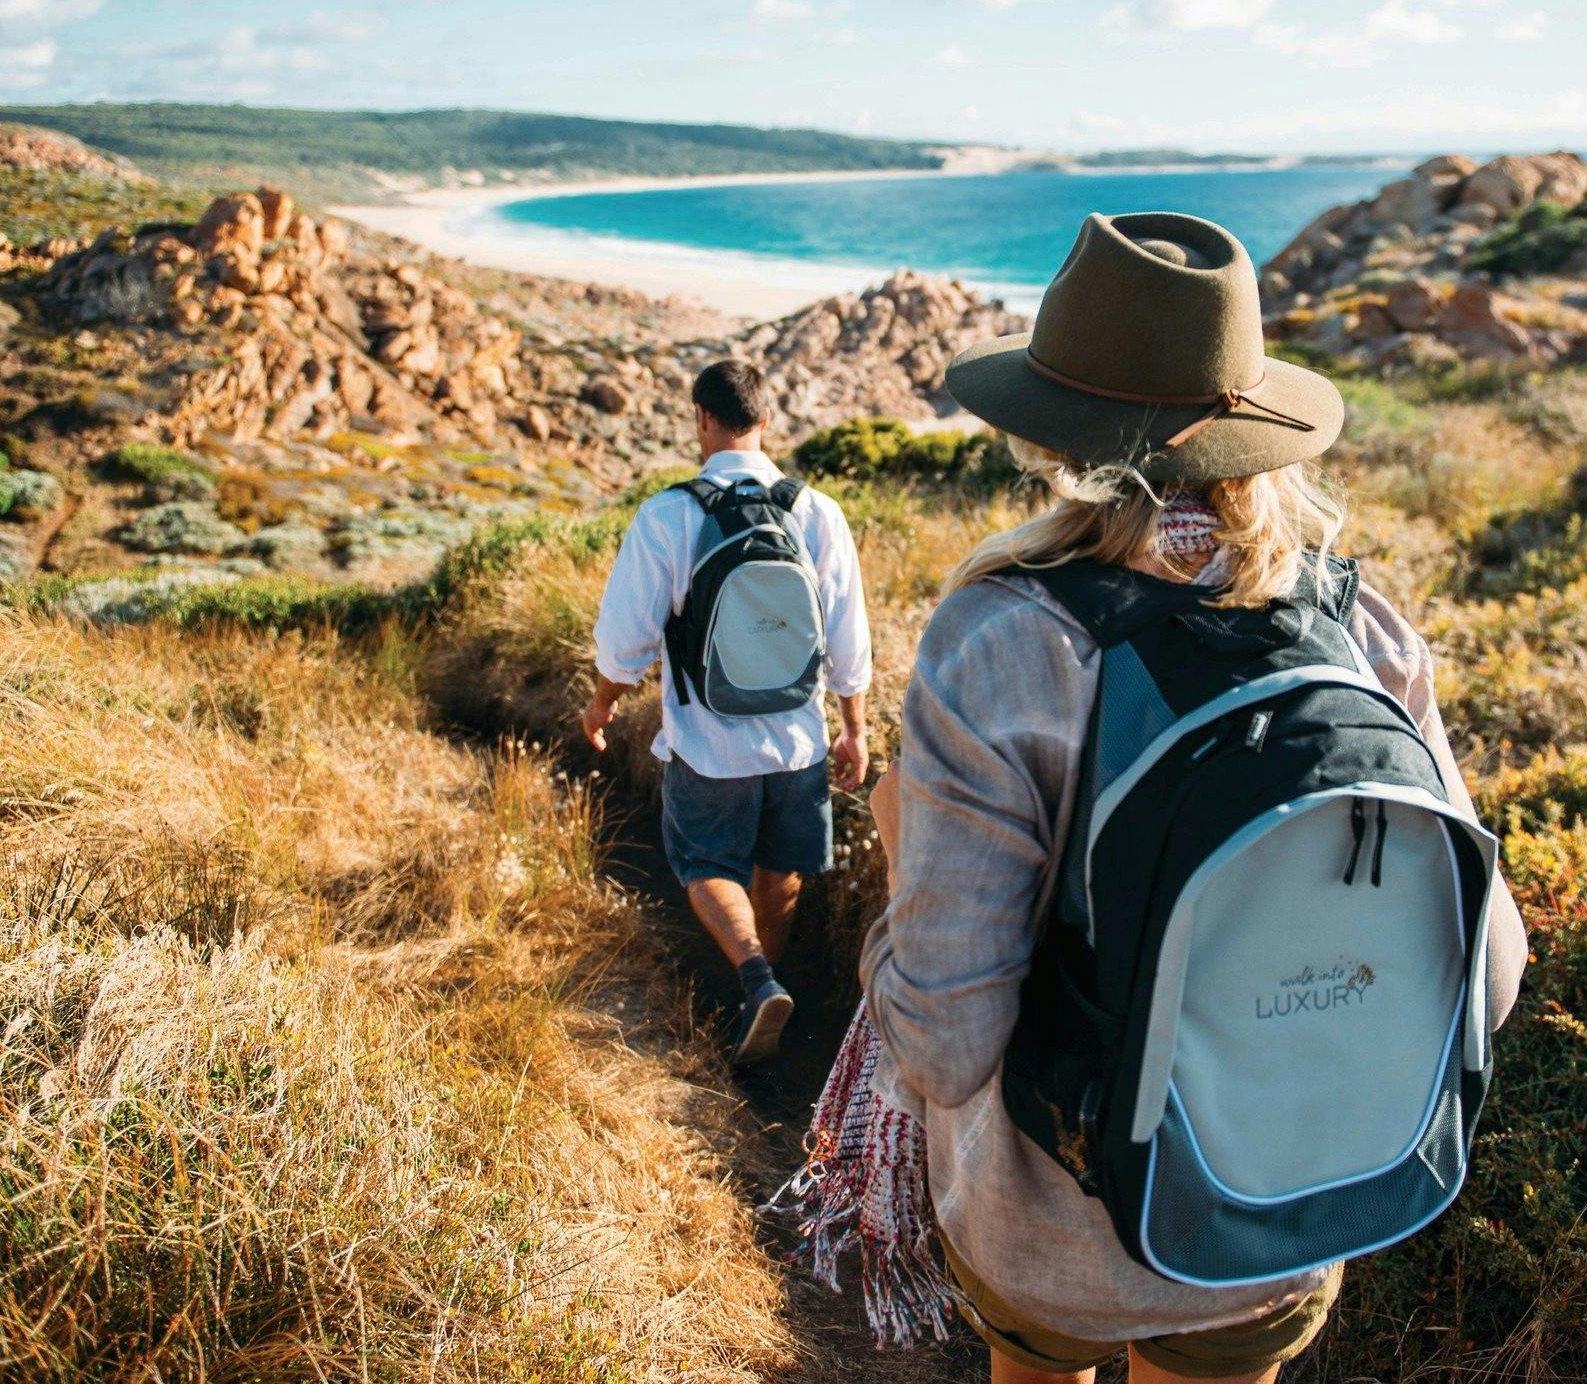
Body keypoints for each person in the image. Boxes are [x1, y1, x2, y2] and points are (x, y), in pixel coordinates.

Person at [858, 212, 1530, 1383]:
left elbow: (945, 1046)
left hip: (1049, 1225)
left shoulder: (1001, 642)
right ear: (1255, 429)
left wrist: (892, 858)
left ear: (1054, 435)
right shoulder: (1361, 628)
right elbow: (1496, 967)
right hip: (1278, 1209)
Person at [587, 358, 872, 1064]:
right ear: (766, 420)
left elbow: (625, 641)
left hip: (709, 744)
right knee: (781, 867)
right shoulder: (817, 511)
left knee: (705, 861)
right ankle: (765, 993)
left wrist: (600, 707)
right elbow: (849, 637)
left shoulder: (669, 514)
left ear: (702, 418)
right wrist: (855, 728)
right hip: (798, 741)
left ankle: (753, 978)